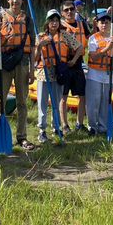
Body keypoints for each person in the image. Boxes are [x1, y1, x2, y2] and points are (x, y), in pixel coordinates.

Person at [0, 0, 36, 151]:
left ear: (22, 0)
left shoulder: (27, 20)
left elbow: (33, 47)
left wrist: (32, 71)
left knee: (22, 101)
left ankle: (22, 137)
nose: (15, 0)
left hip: (22, 62)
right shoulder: (0, 16)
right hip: (4, 62)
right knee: (0, 99)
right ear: (8, 0)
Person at [35, 9, 82, 143]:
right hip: (43, 73)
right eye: (51, 21)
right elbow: (34, 58)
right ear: (47, 22)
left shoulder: (65, 35)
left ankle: (56, 127)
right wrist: (39, 47)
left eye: (56, 20)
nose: (54, 23)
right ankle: (42, 130)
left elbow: (79, 48)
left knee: (56, 102)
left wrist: (73, 61)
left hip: (58, 72)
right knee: (43, 103)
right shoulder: (40, 36)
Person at [85, 10, 113, 135]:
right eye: (102, 22)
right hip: (94, 74)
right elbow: (94, 57)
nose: (104, 25)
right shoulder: (93, 39)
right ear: (98, 24)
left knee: (106, 102)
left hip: (109, 75)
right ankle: (92, 126)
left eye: (107, 22)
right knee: (93, 101)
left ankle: (103, 127)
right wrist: (107, 48)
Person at [59, 0, 92, 133]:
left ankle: (80, 124)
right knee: (64, 96)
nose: (70, 12)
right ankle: (65, 125)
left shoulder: (81, 24)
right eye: (66, 10)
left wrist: (95, 27)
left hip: (78, 63)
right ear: (62, 13)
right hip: (64, 64)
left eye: (72, 9)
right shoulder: (59, 26)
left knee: (82, 95)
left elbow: (91, 38)